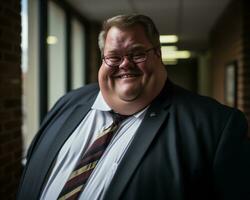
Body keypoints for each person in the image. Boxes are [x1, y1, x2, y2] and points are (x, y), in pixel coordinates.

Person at [17, 14, 250, 200]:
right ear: (103, 60)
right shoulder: (67, 103)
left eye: (137, 53)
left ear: (158, 55)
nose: (125, 64)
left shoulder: (216, 125)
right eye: (114, 57)